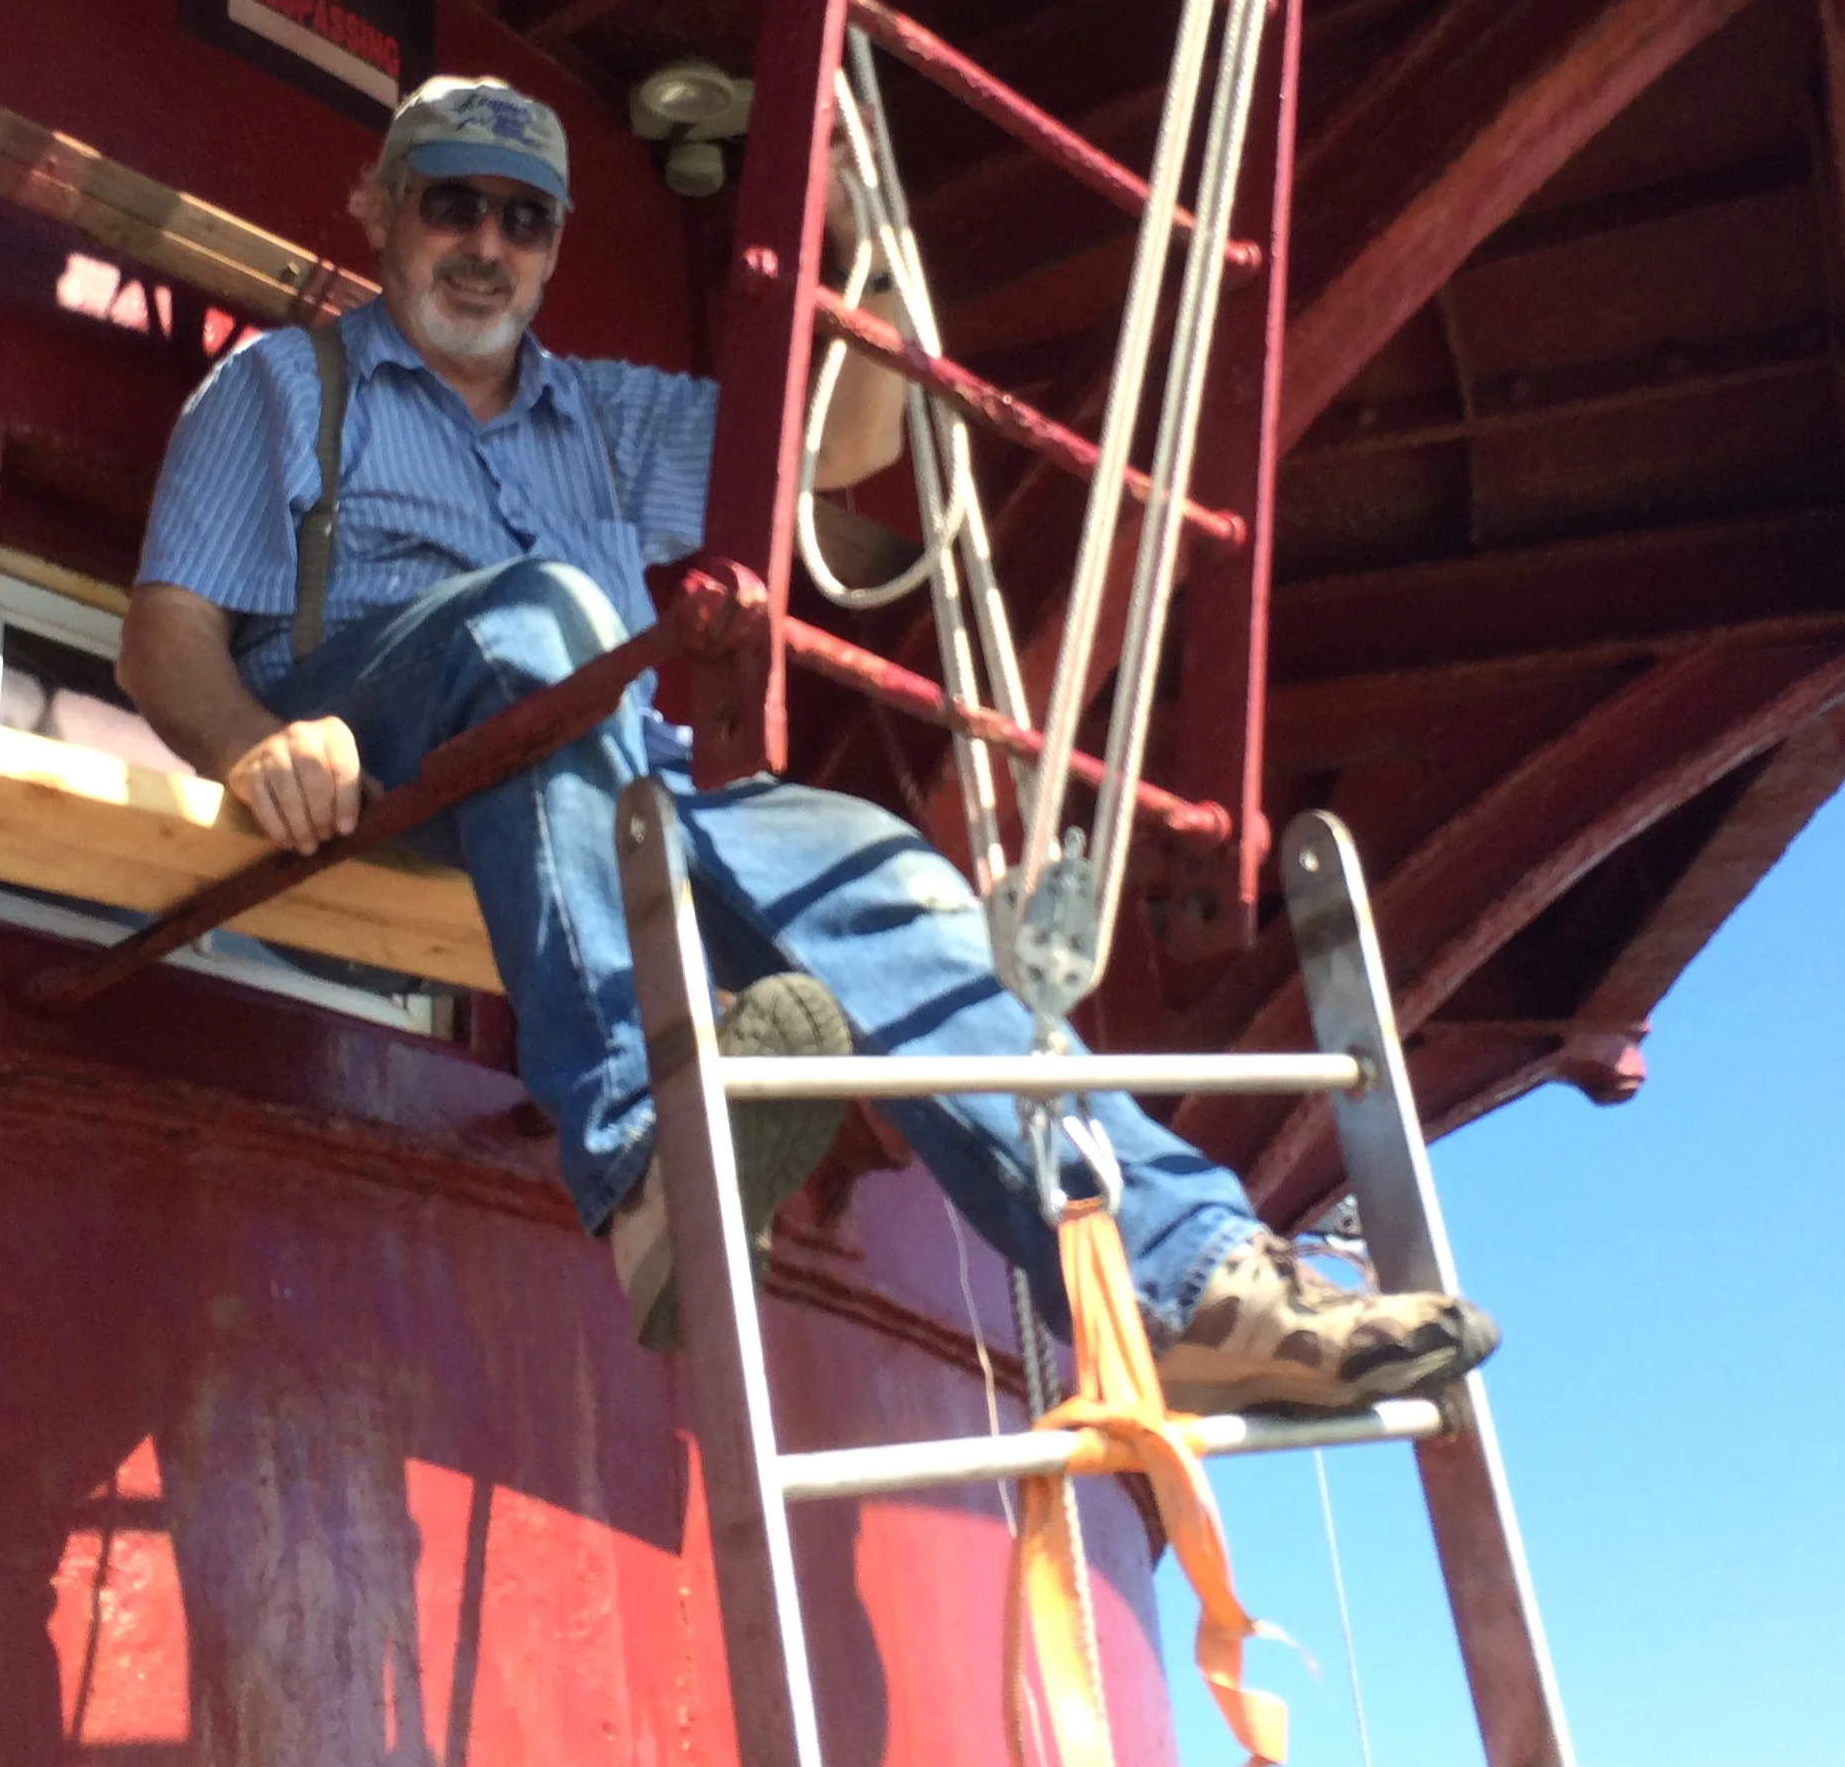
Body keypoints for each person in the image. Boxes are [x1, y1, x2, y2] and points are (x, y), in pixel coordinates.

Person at [121, 73, 1497, 1408]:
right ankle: (651, 1155)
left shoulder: (601, 412)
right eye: (452, 206)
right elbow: (164, 636)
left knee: (877, 872)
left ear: (551, 251)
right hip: (380, 732)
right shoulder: (284, 388)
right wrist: (254, 749)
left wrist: (866, 245)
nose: (484, 246)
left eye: (522, 219)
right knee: (536, 624)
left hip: (608, 763)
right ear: (381, 207)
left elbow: (833, 448)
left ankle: (1185, 1282)